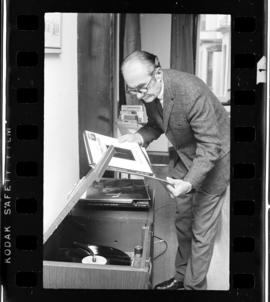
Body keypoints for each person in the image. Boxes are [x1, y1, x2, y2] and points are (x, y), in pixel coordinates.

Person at [119, 50, 230, 290]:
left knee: (201, 230)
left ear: (158, 73)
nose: (138, 95)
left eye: (141, 88)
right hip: (185, 154)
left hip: (215, 158)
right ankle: (181, 278)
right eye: (132, 90)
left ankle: (193, 287)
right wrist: (137, 137)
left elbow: (211, 146)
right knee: (183, 222)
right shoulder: (148, 90)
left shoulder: (190, 91)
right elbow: (156, 124)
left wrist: (189, 183)